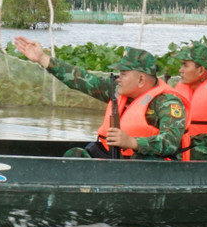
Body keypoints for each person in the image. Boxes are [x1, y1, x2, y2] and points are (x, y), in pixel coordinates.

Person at [13, 36, 187, 159]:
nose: (118, 78)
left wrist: (133, 142)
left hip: (144, 166)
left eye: (124, 74)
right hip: (112, 159)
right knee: (74, 155)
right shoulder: (118, 90)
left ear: (141, 79)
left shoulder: (168, 103)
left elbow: (170, 142)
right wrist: (43, 58)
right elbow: (81, 80)